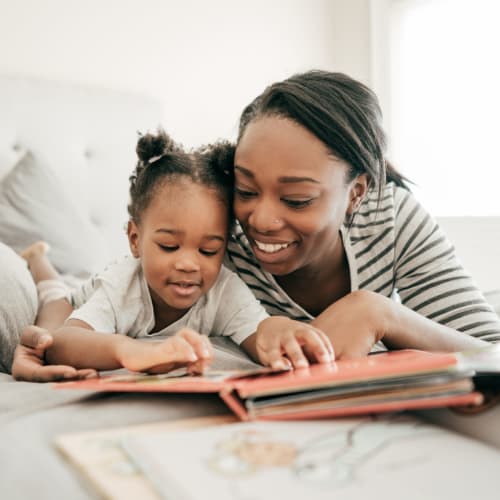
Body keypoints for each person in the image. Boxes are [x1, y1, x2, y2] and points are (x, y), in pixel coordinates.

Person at [11, 70, 500, 381]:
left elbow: (490, 351)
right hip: (90, 292)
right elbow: (117, 314)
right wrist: (46, 339)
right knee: (59, 292)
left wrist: (380, 313)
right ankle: (40, 261)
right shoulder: (213, 236)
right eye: (245, 190)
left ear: (357, 192)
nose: (259, 220)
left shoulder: (392, 219)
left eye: (296, 198)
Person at [11, 130, 333, 381]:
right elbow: (65, 342)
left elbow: (258, 330)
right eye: (169, 246)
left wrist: (280, 331)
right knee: (51, 308)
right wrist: (129, 351)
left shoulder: (224, 289)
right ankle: (38, 259)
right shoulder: (121, 287)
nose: (188, 264)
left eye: (208, 250)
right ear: (135, 239)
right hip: (76, 299)